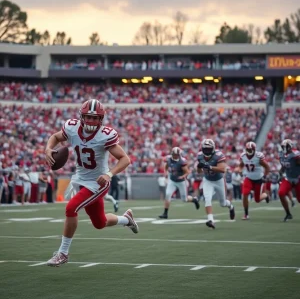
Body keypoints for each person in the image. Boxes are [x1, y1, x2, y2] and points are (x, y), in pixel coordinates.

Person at [45, 99, 139, 267]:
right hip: (80, 179)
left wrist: (109, 174)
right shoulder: (72, 128)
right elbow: (55, 137)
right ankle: (126, 219)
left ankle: (63, 253)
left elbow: (125, 159)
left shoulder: (105, 135)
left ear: (101, 119)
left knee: (71, 207)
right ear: (81, 117)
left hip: (98, 182)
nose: (91, 121)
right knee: (99, 223)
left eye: (95, 118)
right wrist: (48, 148)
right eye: (88, 117)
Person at [196, 139, 235, 229]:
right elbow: (199, 172)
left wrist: (210, 167)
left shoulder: (218, 155)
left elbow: (222, 169)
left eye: (209, 149)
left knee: (223, 203)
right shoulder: (200, 156)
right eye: (205, 149)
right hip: (208, 180)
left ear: (213, 149)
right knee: (207, 198)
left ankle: (231, 206)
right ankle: (211, 220)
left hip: (219, 180)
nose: (207, 151)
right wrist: (199, 167)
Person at [158, 147, 199, 219]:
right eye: (174, 154)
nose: (175, 156)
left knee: (184, 199)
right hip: (172, 180)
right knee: (168, 194)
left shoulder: (182, 162)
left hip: (181, 181)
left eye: (177, 154)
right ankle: (165, 213)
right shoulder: (169, 159)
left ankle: (194, 200)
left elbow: (187, 172)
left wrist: (183, 176)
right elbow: (166, 166)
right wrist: (166, 173)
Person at [239, 141, 270, 220]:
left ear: (254, 150)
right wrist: (239, 170)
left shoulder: (258, 157)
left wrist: (265, 176)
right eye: (247, 150)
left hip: (258, 179)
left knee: (257, 200)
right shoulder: (243, 156)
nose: (249, 152)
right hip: (248, 177)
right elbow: (241, 165)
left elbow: (267, 167)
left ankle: (266, 195)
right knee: (245, 194)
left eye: (250, 150)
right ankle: (246, 214)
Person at [278, 139, 300, 222]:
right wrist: (280, 173)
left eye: (286, 146)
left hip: (298, 178)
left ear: (290, 146)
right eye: (283, 146)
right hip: (288, 178)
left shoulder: (295, 154)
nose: (284, 148)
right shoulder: (281, 155)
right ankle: (288, 214)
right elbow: (284, 165)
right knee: (281, 192)